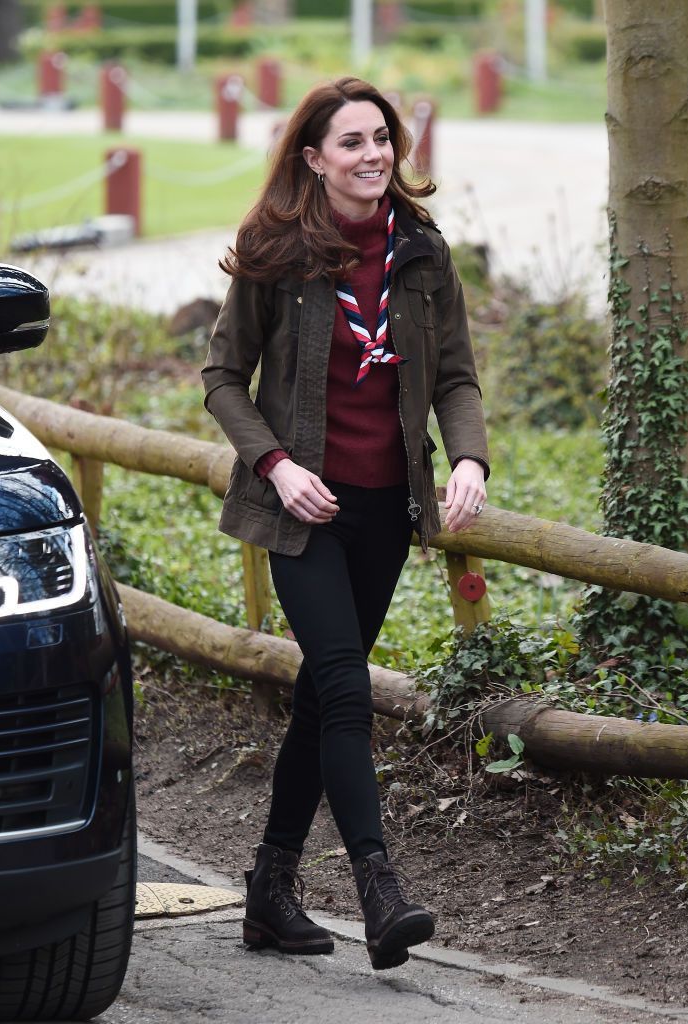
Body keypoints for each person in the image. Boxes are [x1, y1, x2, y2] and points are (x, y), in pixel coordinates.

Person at [202, 76, 489, 971]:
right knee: (348, 688)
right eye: (352, 142)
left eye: (381, 140)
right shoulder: (275, 252)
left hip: (383, 512)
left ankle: (268, 891)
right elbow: (221, 378)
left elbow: (453, 376)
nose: (372, 156)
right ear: (313, 158)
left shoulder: (423, 253)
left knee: (325, 699)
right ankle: (379, 888)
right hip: (302, 516)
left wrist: (469, 457)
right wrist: (277, 467)